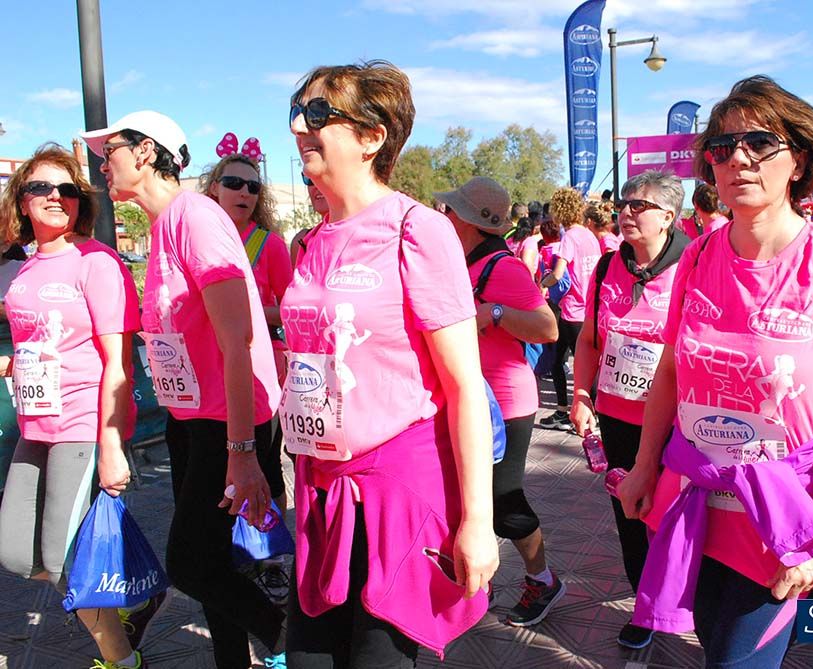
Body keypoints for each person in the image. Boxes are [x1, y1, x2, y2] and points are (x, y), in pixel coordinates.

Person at [617, 76, 813, 668]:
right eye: (721, 148)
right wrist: (645, 465)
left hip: (784, 514)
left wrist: (812, 535)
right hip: (697, 501)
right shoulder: (697, 255)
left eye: (758, 142)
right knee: (712, 642)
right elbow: (670, 368)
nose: (737, 159)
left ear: (798, 159)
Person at [282, 61, 499, 667]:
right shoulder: (312, 239)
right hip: (321, 488)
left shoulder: (417, 229)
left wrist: (477, 522)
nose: (300, 126)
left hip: (399, 490)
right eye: (296, 113)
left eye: (318, 114)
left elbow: (464, 387)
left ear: (373, 137)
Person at [81, 111, 285, 669]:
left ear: (146, 152)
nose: (104, 164)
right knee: (213, 562)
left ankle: (293, 641)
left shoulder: (195, 218)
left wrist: (241, 453)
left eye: (111, 151)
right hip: (192, 416)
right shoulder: (165, 224)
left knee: (191, 564)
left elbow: (239, 342)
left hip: (228, 419)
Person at [0, 145, 145, 669]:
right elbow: (31, 339)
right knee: (17, 552)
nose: (55, 197)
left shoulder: (96, 262)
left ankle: (122, 659)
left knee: (64, 561)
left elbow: (118, 359)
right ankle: (131, 594)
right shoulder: (18, 267)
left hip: (84, 422)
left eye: (67, 189)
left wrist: (111, 446)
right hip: (35, 422)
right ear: (21, 200)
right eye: (41, 188)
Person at [569, 170, 690, 650]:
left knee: (673, 517)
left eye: (639, 206)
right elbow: (587, 341)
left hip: (677, 423)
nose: (627, 212)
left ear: (668, 216)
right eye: (624, 203)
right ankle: (646, 606)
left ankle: (682, 601)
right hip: (618, 419)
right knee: (629, 515)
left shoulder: (692, 266)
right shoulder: (605, 267)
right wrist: (581, 396)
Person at [438, 176, 563, 627]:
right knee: (470, 499)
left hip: (506, 404)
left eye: (449, 211)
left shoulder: (502, 267)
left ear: (468, 220)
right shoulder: (465, 262)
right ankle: (477, 587)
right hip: (470, 400)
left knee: (503, 502)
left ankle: (543, 580)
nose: (444, 217)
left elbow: (546, 327)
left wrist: (492, 313)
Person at [200, 149, 294, 604]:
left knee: (264, 462)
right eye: (234, 183)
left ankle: (272, 558)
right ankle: (226, 551)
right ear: (213, 187)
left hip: (260, 369)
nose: (244, 193)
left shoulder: (267, 244)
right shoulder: (198, 237)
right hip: (208, 371)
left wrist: (247, 314)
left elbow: (291, 305)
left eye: (253, 187)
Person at [539, 187, 600, 430]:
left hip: (571, 310)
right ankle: (583, 414)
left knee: (563, 362)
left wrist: (542, 283)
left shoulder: (570, 238)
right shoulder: (589, 236)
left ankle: (576, 414)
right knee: (584, 364)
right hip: (589, 309)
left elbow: (558, 274)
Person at [290, 173, 329, 267]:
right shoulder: (300, 242)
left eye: (326, 175)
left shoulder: (366, 235)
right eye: (309, 178)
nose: (316, 184)